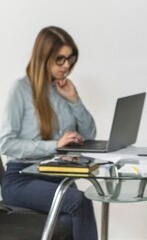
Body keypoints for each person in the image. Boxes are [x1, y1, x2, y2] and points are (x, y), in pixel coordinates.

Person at [0, 26, 98, 240]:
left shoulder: (61, 89)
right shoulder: (20, 90)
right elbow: (5, 144)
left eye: (70, 60)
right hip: (21, 179)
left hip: (57, 176)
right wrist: (54, 144)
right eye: (60, 60)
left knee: (70, 220)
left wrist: (75, 100)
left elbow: (90, 134)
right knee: (79, 201)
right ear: (43, 57)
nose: (66, 66)